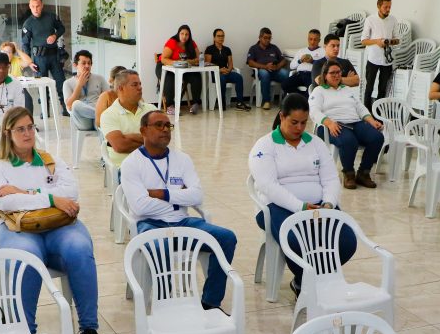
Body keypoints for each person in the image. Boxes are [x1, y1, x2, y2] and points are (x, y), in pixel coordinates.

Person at [0, 107, 103, 334]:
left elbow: (71, 193)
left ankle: (89, 330)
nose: (28, 133)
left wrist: (22, 193)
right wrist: (50, 197)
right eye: (20, 129)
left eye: (30, 127)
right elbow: (4, 203)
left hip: (58, 227)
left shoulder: (50, 160)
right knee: (26, 257)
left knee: (80, 248)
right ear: (8, 133)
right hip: (20, 229)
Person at [120, 110, 238, 310]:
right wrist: (178, 198)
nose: (165, 129)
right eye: (159, 125)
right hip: (149, 224)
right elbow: (140, 206)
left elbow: (197, 195)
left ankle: (210, 302)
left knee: (227, 238)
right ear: (143, 131)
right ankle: (166, 305)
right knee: (161, 248)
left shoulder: (182, 159)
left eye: (168, 126)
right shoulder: (131, 164)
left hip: (183, 221)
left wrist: (162, 194)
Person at [248, 94, 356, 297]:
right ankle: (306, 281)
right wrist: (301, 207)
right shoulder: (264, 146)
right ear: (282, 117)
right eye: (294, 122)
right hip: (277, 207)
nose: (299, 128)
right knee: (296, 240)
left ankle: (312, 277)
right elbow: (268, 186)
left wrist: (329, 204)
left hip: (320, 206)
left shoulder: (316, 143)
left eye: (304, 123)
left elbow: (331, 179)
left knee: (347, 241)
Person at [309, 60, 385, 189]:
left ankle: (363, 173)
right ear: (325, 75)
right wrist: (329, 123)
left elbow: (360, 108)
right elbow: (314, 111)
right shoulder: (319, 90)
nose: (336, 75)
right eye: (332, 73)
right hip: (332, 125)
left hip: (355, 122)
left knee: (377, 137)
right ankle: (349, 173)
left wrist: (372, 121)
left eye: (338, 72)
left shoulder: (346, 90)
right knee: (349, 141)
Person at [21, 0, 67, 116]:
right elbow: (25, 44)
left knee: (61, 82)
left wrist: (55, 36)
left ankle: (65, 108)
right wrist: (30, 62)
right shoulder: (28, 23)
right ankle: (44, 111)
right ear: (30, 7)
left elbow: (62, 28)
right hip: (39, 59)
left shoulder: (51, 17)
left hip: (54, 56)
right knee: (42, 86)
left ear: (42, 5)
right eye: (33, 6)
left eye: (38, 6)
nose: (35, 9)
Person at [100, 70, 157, 168]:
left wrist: (128, 137)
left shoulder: (152, 109)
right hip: (125, 168)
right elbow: (120, 146)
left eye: (140, 84)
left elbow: (160, 140)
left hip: (155, 165)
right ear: (121, 88)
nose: (140, 88)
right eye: (134, 85)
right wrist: (149, 141)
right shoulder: (108, 115)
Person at [361, 0, 399, 111]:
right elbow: (363, 41)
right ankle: (366, 113)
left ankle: (378, 113)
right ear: (378, 6)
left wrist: (389, 41)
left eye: (389, 7)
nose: (388, 9)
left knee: (382, 88)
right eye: (386, 7)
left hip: (387, 60)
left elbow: (397, 40)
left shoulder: (393, 20)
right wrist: (377, 42)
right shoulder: (370, 20)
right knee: (369, 87)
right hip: (373, 58)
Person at [157, 24, 203, 115]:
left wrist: (188, 62)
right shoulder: (172, 42)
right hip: (164, 67)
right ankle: (170, 106)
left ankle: (195, 104)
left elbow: (199, 58)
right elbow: (163, 59)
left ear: (189, 36)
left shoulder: (191, 43)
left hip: (183, 68)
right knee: (169, 77)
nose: (184, 36)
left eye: (187, 34)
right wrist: (177, 63)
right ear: (178, 34)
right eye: (182, 34)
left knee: (196, 75)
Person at [204, 28, 250, 111]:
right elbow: (207, 63)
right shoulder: (209, 49)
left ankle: (239, 102)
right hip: (215, 73)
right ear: (214, 38)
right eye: (218, 36)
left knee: (239, 77)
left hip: (226, 72)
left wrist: (228, 70)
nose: (221, 38)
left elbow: (230, 63)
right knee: (222, 78)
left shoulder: (227, 49)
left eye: (222, 36)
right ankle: (221, 103)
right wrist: (219, 69)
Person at [63, 49, 109, 130]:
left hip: (97, 119)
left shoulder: (100, 78)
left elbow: (109, 97)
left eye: (89, 63)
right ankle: (101, 114)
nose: (87, 66)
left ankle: (100, 115)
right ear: (75, 65)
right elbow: (69, 105)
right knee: (76, 104)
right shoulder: (67, 83)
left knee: (104, 127)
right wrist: (79, 84)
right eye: (83, 63)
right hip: (82, 120)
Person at [246, 27, 290, 110]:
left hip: (275, 70)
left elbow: (284, 61)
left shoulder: (274, 47)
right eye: (265, 38)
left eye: (269, 38)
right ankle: (266, 101)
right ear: (260, 37)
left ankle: (286, 100)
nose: (267, 40)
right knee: (265, 74)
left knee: (286, 73)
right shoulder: (253, 48)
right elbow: (250, 62)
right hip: (262, 70)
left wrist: (277, 66)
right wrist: (265, 66)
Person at [283, 28, 325, 95]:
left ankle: (303, 99)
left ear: (319, 40)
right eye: (310, 39)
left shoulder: (323, 51)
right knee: (285, 85)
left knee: (312, 90)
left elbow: (325, 66)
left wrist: (312, 61)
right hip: (299, 74)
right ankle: (300, 97)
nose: (312, 42)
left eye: (315, 39)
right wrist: (300, 60)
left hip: (312, 75)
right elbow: (291, 66)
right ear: (308, 39)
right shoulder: (301, 51)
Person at [0, 41, 36, 114]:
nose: (6, 54)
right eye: (4, 52)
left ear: (13, 54)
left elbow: (28, 61)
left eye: (9, 52)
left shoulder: (16, 60)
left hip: (18, 88)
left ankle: (29, 123)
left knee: (27, 100)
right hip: (2, 89)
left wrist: (17, 49)